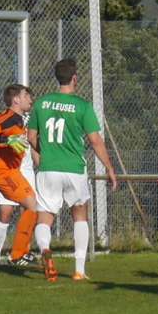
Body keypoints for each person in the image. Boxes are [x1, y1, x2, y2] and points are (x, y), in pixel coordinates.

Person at [27, 59, 117, 281]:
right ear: (75, 76)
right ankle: (79, 270)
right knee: (79, 216)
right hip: (74, 168)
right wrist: (109, 167)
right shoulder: (82, 106)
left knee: (44, 218)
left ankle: (46, 250)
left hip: (48, 168)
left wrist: (46, 151)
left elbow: (30, 137)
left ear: (56, 77)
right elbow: (95, 141)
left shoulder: (41, 103)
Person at [0, 84, 37, 265]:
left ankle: (20, 252)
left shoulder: (15, 118)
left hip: (12, 170)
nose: (30, 99)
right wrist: (6, 139)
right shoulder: (10, 118)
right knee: (29, 205)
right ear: (16, 100)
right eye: (26, 95)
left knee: (31, 205)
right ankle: (16, 254)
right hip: (3, 172)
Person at [0, 126, 39, 264]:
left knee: (28, 212)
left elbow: (34, 146)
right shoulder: (4, 120)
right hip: (8, 171)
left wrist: (42, 166)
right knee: (5, 212)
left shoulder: (32, 120)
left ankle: (23, 252)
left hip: (27, 172)